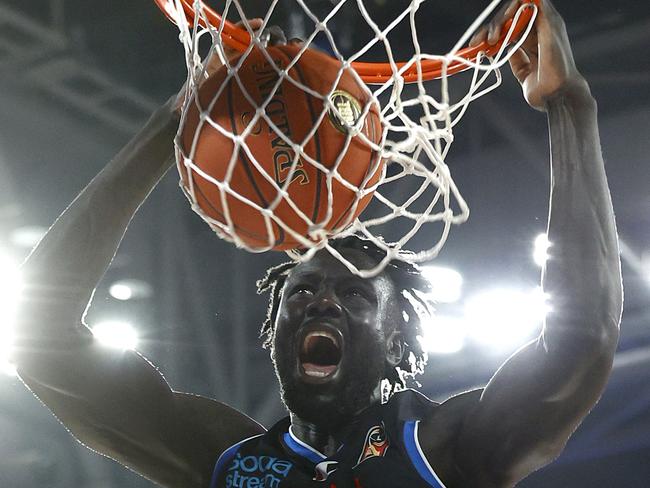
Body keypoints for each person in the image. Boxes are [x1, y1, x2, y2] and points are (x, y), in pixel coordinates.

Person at [13, 1, 622, 487]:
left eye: (356, 295)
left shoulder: (449, 448)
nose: (320, 301)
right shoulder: (223, 457)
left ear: (398, 340)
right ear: (272, 330)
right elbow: (40, 342)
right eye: (301, 290)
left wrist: (571, 106)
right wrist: (174, 120)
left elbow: (581, 339)